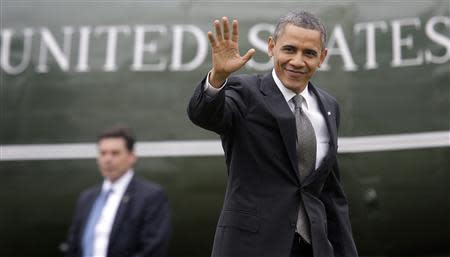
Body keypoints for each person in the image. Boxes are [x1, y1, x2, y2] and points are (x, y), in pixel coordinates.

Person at [187, 11, 358, 257]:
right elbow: (203, 114)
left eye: (309, 53)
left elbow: (330, 193)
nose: (297, 61)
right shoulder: (245, 92)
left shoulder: (329, 107)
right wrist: (218, 78)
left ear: (322, 57)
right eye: (289, 49)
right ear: (271, 47)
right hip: (250, 247)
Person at [65, 126, 171, 257]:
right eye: (103, 153)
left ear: (132, 157)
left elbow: (154, 249)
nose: (107, 159)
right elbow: (73, 245)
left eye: (115, 153)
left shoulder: (151, 196)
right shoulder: (87, 198)